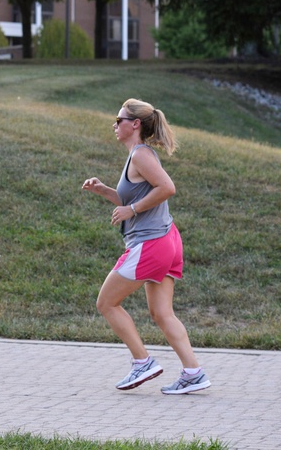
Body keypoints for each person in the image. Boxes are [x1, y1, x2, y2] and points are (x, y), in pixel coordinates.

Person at [81, 98, 211, 395]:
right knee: (162, 313)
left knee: (106, 302)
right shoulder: (137, 156)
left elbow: (167, 188)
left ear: (135, 124)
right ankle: (194, 372)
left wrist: (133, 210)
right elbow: (132, 198)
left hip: (150, 243)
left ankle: (143, 362)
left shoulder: (141, 155)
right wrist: (103, 190)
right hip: (167, 240)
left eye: (119, 120)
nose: (115, 125)